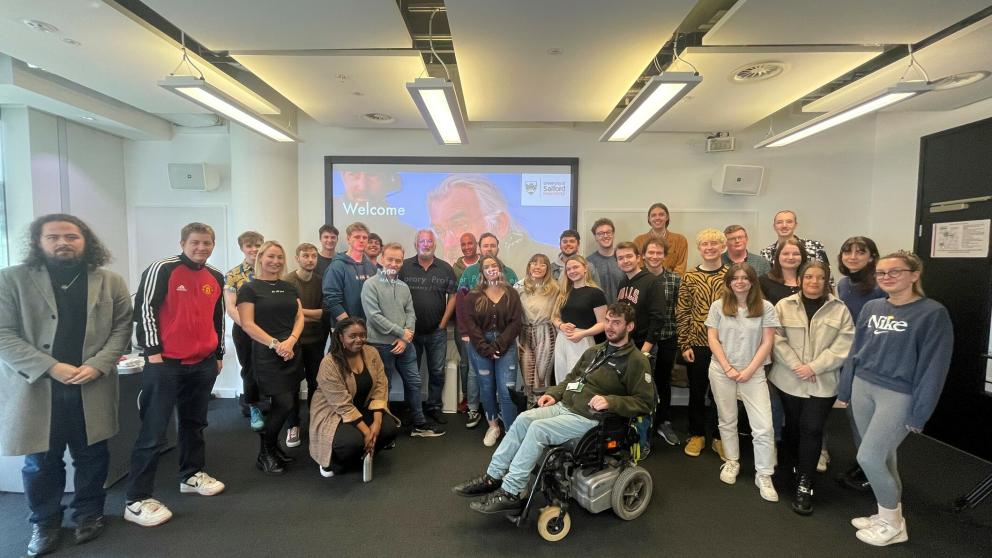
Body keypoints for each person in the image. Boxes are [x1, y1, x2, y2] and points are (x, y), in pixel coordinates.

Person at [0, 214, 132, 555]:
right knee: (41, 461)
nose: (63, 242)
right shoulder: (10, 280)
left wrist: (98, 365)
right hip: (38, 388)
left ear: (85, 241)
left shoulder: (110, 281)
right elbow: (3, 334)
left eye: (71, 236)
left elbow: (122, 328)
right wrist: (51, 367)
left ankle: (89, 514)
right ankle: (45, 523)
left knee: (93, 455)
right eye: (53, 237)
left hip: (91, 384)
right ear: (38, 242)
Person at [452, 302, 654, 514]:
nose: (610, 327)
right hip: (566, 406)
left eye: (617, 323)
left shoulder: (636, 361)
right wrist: (554, 393)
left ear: (629, 326)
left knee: (538, 429)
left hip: (590, 419)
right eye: (608, 321)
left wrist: (611, 401)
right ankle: (492, 477)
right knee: (523, 419)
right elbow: (571, 379)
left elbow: (645, 402)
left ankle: (511, 492)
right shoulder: (595, 351)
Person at [837, 252, 953, 547]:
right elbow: (856, 350)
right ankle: (886, 515)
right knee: (884, 456)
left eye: (894, 272)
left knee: (869, 457)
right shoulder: (873, 307)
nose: (886, 277)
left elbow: (934, 367)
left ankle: (894, 525)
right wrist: (845, 389)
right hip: (864, 386)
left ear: (914, 275)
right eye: (881, 273)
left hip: (898, 394)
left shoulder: (932, 313)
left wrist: (919, 413)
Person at [126, 222, 226, 527]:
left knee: (195, 423)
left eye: (207, 243)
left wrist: (218, 353)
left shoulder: (215, 276)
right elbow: (144, 309)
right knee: (154, 430)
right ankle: (136, 499)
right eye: (195, 242)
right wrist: (153, 352)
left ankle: (191, 475)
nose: (201, 248)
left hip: (203, 363)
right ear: (183, 243)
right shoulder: (163, 269)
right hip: (166, 363)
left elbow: (218, 317)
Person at [771, 261, 854, 515]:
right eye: (809, 277)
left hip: (822, 381)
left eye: (820, 277)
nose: (814, 281)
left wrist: (814, 367)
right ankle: (794, 466)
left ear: (827, 281)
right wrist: (796, 365)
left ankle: (805, 482)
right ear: (800, 280)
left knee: (812, 428)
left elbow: (844, 344)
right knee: (793, 426)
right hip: (788, 378)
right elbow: (775, 337)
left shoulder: (839, 309)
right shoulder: (784, 306)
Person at [706, 263, 780, 502]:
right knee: (727, 419)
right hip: (721, 371)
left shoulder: (765, 307)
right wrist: (728, 367)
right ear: (728, 282)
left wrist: (748, 370)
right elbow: (712, 339)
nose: (739, 282)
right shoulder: (718, 306)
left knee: (763, 426)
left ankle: (764, 474)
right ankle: (732, 461)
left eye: (744, 278)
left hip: (753, 373)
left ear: (752, 281)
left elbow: (767, 342)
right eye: (735, 278)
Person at [362, 243, 445, 438]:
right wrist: (401, 333)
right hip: (380, 344)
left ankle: (419, 424)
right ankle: (384, 429)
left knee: (414, 382)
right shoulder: (370, 285)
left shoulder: (403, 287)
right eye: (390, 259)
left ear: (402, 262)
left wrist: (406, 338)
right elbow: (374, 316)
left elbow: (411, 313)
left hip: (405, 345)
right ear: (382, 259)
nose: (393, 263)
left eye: (398, 260)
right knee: (384, 386)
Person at [237, 241, 305, 475]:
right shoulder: (249, 289)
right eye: (271, 256)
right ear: (261, 258)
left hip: (291, 351)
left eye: (279, 257)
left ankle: (273, 449)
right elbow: (247, 324)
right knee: (284, 403)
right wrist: (276, 345)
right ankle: (265, 452)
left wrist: (291, 341)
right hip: (267, 353)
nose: (275, 261)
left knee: (288, 403)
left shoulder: (289, 287)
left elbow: (299, 317)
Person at [309, 318, 400, 478]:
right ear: (341, 337)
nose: (359, 340)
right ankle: (331, 461)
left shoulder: (371, 353)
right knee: (351, 442)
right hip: (334, 412)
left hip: (362, 406)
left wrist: (377, 424)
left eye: (362, 335)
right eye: (353, 336)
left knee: (389, 429)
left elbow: (381, 387)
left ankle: (364, 451)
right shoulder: (329, 363)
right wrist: (367, 431)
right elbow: (342, 406)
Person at [427, 174, 557, 275]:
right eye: (440, 231)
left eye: (460, 225)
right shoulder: (440, 268)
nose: (448, 244)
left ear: (499, 224)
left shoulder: (550, 260)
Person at [834, 236, 885, 491]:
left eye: (860, 252)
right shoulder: (844, 285)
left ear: (872, 256)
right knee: (855, 413)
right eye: (848, 252)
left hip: (873, 357)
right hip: (850, 355)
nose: (853, 257)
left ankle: (874, 469)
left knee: (872, 419)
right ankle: (864, 462)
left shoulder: (880, 286)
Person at [676, 228, 728, 459]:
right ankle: (697, 434)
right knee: (697, 392)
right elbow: (683, 311)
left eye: (714, 243)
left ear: (722, 247)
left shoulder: (731, 276)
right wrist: (684, 344)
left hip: (725, 345)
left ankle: (719, 437)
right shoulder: (690, 277)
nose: (709, 248)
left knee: (721, 394)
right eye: (705, 244)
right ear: (699, 248)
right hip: (697, 343)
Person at [462, 255, 524, 446]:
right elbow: (470, 324)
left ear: (500, 268)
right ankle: (493, 427)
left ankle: (511, 431)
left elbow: (516, 323)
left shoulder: (511, 293)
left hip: (506, 344)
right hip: (480, 346)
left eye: (494, 265)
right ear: (482, 271)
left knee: (506, 390)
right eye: (487, 266)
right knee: (487, 388)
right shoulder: (473, 295)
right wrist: (486, 349)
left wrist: (498, 346)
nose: (491, 269)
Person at [399, 230, 458, 425]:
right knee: (411, 372)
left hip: (436, 332)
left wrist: (443, 323)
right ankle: (412, 408)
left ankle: (434, 407)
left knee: (437, 372)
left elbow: (453, 296)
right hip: (410, 332)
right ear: (416, 244)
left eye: (429, 241)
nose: (426, 244)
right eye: (422, 241)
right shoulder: (404, 267)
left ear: (435, 244)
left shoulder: (445, 268)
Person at [283, 243, 329, 449]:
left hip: (316, 341)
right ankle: (293, 425)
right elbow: (287, 312)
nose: (310, 259)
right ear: (297, 258)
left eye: (313, 256)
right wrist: (309, 315)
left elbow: (324, 313)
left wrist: (300, 313)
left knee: (315, 384)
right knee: (292, 385)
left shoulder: (321, 281)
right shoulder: (287, 281)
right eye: (306, 256)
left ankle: (314, 421)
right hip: (293, 342)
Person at [224, 230, 265, 430]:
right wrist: (249, 326)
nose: (254, 249)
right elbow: (231, 308)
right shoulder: (233, 275)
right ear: (242, 248)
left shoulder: (270, 270)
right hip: (244, 330)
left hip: (270, 328)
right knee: (249, 369)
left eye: (258, 245)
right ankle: (254, 407)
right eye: (249, 246)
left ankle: (272, 403)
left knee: (270, 367)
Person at [643, 237, 682, 446]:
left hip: (667, 337)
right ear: (643, 255)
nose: (655, 256)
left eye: (659, 253)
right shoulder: (637, 278)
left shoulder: (675, 280)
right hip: (642, 340)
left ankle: (663, 421)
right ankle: (643, 422)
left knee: (663, 380)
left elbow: (680, 310)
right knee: (642, 382)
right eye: (651, 252)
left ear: (665, 256)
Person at [550, 255, 607, 384]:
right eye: (568, 269)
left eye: (575, 267)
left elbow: (603, 323)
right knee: (561, 379)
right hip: (563, 339)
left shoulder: (596, 293)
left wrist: (582, 333)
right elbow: (554, 317)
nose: (572, 271)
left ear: (585, 268)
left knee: (578, 381)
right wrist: (561, 326)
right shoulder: (564, 292)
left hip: (583, 340)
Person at [514, 254, 559, 408]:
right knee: (527, 376)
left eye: (542, 264)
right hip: (524, 332)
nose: (537, 267)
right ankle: (529, 408)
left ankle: (541, 410)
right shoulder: (519, 286)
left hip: (545, 332)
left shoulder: (554, 288)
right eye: (534, 263)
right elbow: (513, 313)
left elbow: (558, 313)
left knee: (542, 376)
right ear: (529, 266)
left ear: (548, 268)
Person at [323, 222, 377, 326]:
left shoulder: (372, 267)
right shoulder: (337, 266)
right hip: (345, 328)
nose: (361, 240)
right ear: (348, 239)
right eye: (357, 237)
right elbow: (331, 300)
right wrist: (350, 325)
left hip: (369, 327)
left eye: (365, 238)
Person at [452, 232, 480, 419]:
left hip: (484, 324)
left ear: (476, 244)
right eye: (464, 244)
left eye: (470, 243)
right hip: (462, 323)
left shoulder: (486, 264)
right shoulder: (455, 268)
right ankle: (467, 398)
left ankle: (483, 398)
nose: (467, 247)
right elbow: (454, 297)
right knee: (465, 363)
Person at [633, 202, 688, 275]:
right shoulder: (639, 241)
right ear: (649, 219)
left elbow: (681, 267)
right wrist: (649, 280)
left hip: (671, 281)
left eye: (661, 215)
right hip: (646, 280)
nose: (657, 218)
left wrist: (668, 280)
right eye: (653, 215)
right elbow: (638, 266)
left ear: (667, 217)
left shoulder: (680, 240)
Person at [759, 210, 829, 265]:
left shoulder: (815, 247)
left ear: (795, 225)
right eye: (779, 222)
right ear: (774, 226)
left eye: (789, 222)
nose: (784, 226)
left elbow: (827, 275)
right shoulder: (766, 253)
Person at [759, 237, 808, 306]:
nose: (791, 257)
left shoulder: (811, 280)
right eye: (785, 254)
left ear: (802, 257)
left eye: (796, 254)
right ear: (778, 256)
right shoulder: (763, 281)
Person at [586, 218, 625, 305]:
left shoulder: (624, 259)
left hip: (622, 310)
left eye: (608, 232)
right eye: (600, 234)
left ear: (613, 234)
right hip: (598, 310)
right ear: (595, 237)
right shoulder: (588, 262)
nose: (605, 236)